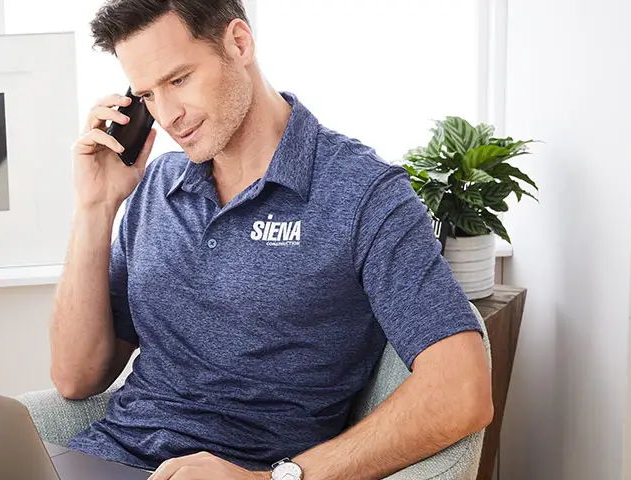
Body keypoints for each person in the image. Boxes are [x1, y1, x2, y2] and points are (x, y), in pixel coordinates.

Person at [50, 1, 493, 479]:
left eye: (179, 80)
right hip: (104, 460)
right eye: (148, 95)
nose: (169, 115)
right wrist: (95, 207)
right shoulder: (158, 184)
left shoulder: (363, 192)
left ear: (239, 43)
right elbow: (76, 377)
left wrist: (271, 479)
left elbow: (461, 390)